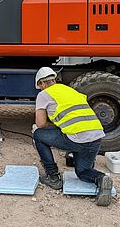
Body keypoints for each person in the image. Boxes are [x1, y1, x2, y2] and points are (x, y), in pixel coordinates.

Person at [33, 67, 113, 206]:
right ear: (54, 80)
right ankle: (101, 179)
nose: (40, 89)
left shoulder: (44, 94)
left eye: (40, 86)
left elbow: (40, 124)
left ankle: (53, 177)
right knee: (83, 172)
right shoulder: (70, 90)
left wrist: (51, 125)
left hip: (77, 139)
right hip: (96, 138)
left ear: (42, 84)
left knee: (38, 135)